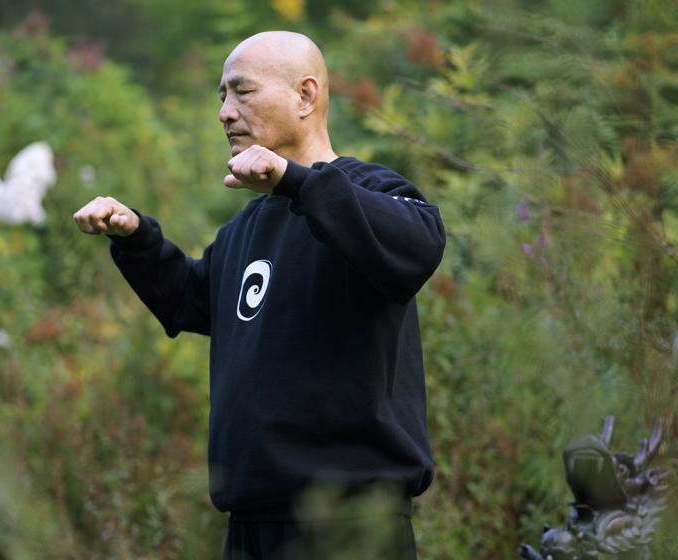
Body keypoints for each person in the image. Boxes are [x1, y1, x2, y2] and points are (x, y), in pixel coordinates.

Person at [72, 31, 445, 560]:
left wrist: (296, 181)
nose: (225, 112)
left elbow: (419, 243)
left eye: (242, 92)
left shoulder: (372, 192)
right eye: (221, 96)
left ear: (306, 96)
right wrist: (135, 238)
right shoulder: (246, 227)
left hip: (350, 524)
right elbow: (191, 301)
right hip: (253, 521)